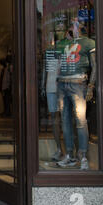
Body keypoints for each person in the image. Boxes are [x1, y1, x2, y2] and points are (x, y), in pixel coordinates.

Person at [56, 24, 96, 170]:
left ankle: (83, 155)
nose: (72, 27)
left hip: (78, 83)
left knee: (80, 119)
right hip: (63, 83)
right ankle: (70, 155)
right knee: (65, 120)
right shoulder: (65, 44)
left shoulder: (89, 43)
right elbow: (59, 64)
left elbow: (95, 65)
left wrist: (91, 86)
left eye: (75, 24)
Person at [40, 32, 63, 161]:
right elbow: (45, 70)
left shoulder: (63, 51)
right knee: (54, 117)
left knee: (65, 117)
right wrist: (43, 86)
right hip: (50, 86)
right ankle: (59, 148)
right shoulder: (48, 53)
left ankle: (69, 150)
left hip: (62, 86)